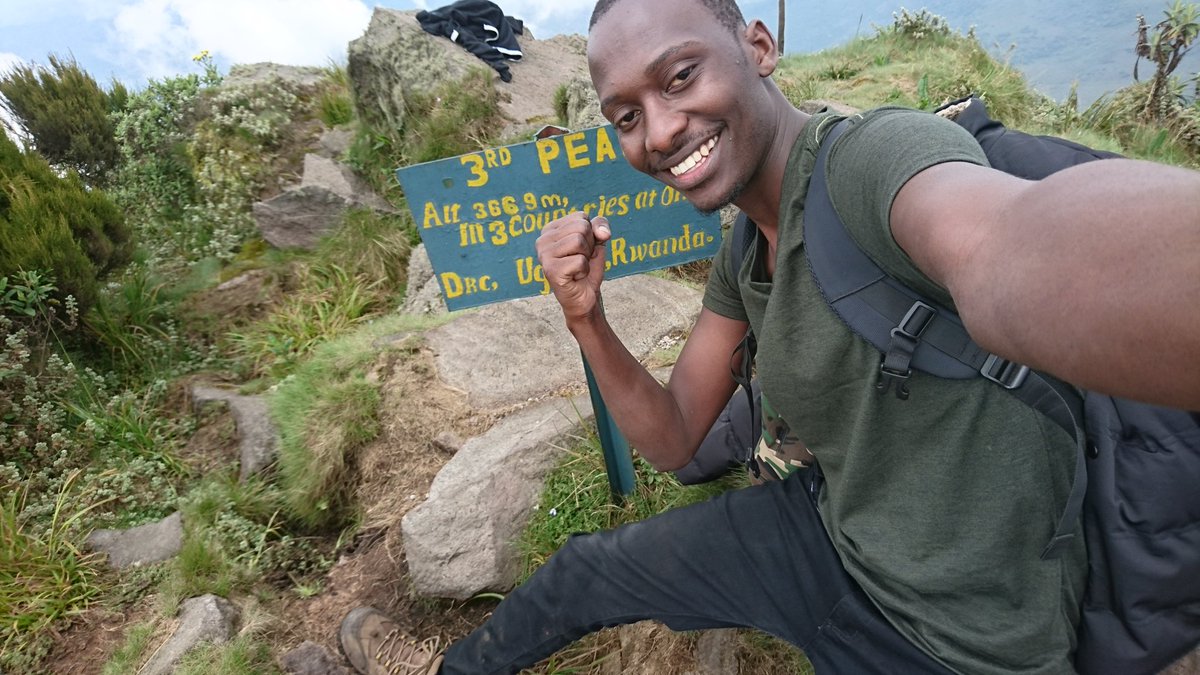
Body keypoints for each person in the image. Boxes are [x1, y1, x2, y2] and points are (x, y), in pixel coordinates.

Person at [338, 0, 1200, 672]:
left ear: (757, 48)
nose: (661, 130)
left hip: (967, 637)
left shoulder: (872, 162)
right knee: (586, 569)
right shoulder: (746, 246)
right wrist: (585, 316)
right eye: (626, 115)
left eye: (679, 77)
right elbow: (677, 436)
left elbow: (1008, 245)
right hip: (838, 537)